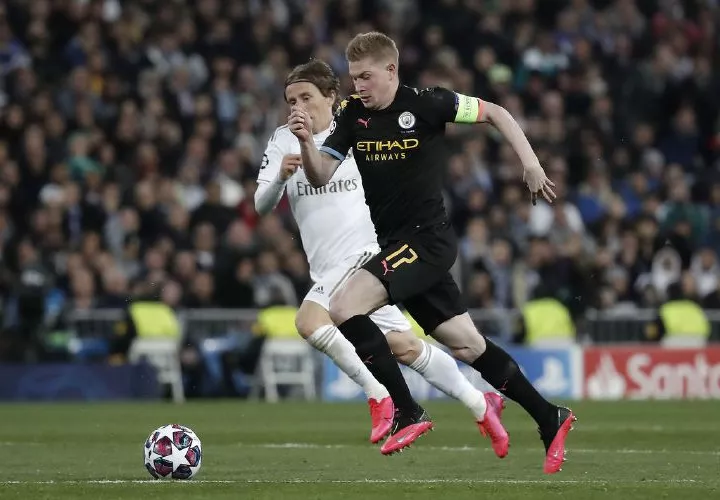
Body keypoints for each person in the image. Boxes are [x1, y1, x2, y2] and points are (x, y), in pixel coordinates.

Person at [288, 32, 575, 473]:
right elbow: (322, 174)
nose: (358, 86)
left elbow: (495, 112)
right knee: (468, 345)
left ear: (391, 70)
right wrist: (307, 142)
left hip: (427, 240)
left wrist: (531, 162)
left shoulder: (428, 103)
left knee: (343, 306)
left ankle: (406, 410)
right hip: (397, 245)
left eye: (366, 77)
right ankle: (548, 416)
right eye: (353, 78)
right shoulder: (351, 116)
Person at [255, 59, 508, 456]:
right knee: (405, 347)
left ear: (330, 97)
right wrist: (282, 179)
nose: (297, 106)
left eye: (306, 97)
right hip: (326, 265)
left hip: (366, 256)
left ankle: (381, 397)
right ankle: (480, 402)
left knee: (308, 320)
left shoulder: (356, 126)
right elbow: (260, 204)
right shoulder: (282, 139)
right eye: (291, 100)